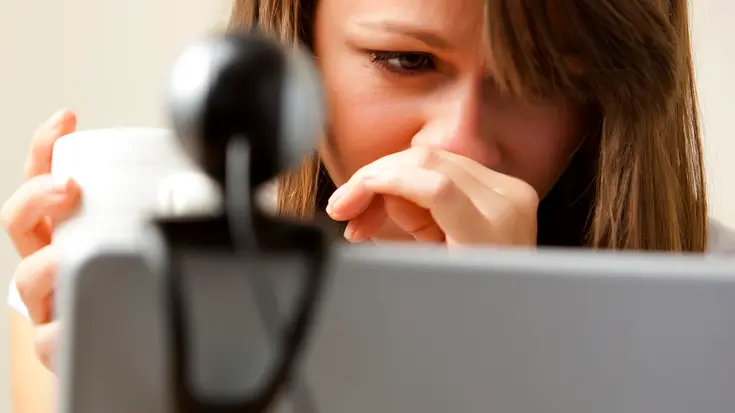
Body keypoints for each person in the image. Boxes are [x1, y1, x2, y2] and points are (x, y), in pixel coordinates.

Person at [5, 0, 735, 412]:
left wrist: (511, 346)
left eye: (541, 79)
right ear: (297, 44)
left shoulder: (710, 308)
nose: (461, 144)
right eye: (406, 62)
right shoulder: (114, 286)